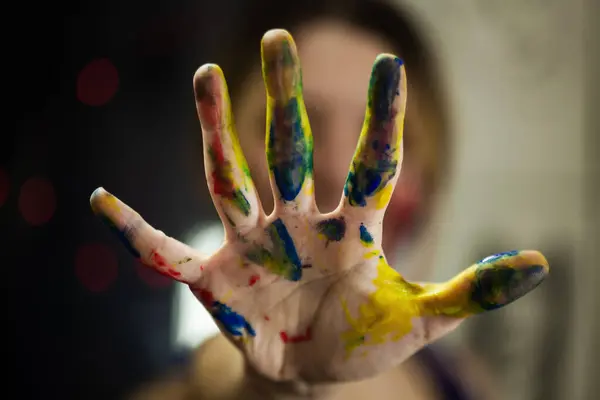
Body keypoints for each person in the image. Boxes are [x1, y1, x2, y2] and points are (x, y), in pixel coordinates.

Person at [90, 0, 550, 398]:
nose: (335, 166)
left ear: (430, 173)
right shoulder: (187, 385)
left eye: (388, 137)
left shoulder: (463, 380)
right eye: (292, 127)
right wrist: (284, 389)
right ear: (213, 152)